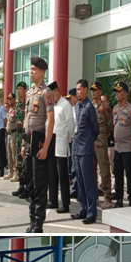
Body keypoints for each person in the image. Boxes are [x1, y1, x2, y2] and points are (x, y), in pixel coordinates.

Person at [23, 57, 55, 233]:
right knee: (30, 184)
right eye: (31, 69)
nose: (31, 72)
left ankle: (38, 223)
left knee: (40, 183)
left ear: (42, 72)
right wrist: (23, 143)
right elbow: (27, 117)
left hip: (40, 143)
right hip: (29, 142)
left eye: (34, 69)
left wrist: (46, 147)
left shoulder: (47, 93)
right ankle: (31, 220)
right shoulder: (29, 93)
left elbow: (50, 121)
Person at [72, 80, 100, 224]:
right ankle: (82, 209)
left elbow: (96, 129)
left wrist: (90, 141)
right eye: (76, 89)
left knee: (89, 182)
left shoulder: (89, 107)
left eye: (79, 89)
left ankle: (91, 212)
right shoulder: (77, 105)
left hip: (85, 150)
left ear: (85, 90)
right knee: (80, 182)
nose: (77, 92)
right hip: (76, 149)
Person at [111, 82, 131, 208]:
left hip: (128, 149)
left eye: (119, 91)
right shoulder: (115, 109)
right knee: (118, 174)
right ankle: (119, 199)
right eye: (116, 92)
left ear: (126, 93)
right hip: (117, 148)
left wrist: (129, 141)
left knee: (129, 175)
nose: (117, 94)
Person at [50, 82, 75, 213]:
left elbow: (71, 125)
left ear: (57, 91)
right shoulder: (52, 106)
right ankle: (53, 200)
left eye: (51, 93)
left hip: (61, 142)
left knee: (63, 176)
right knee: (52, 174)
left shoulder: (65, 105)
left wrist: (67, 138)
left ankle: (65, 204)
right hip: (52, 143)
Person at [89, 82, 114, 209]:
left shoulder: (105, 106)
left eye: (95, 90)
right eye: (91, 90)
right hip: (91, 144)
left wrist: (102, 137)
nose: (93, 92)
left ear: (100, 91)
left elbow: (110, 125)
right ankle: (95, 198)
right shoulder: (90, 106)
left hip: (101, 143)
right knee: (92, 172)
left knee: (104, 172)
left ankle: (108, 198)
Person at [12, 82, 29, 196]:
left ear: (25, 90)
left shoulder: (27, 104)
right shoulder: (17, 105)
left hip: (24, 136)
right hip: (17, 136)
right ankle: (21, 186)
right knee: (18, 162)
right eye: (17, 89)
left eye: (20, 89)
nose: (18, 91)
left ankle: (27, 188)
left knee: (24, 163)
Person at [4, 94, 19, 181]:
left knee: (14, 154)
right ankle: (10, 171)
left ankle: (16, 173)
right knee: (9, 154)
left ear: (14, 99)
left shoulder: (17, 109)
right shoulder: (10, 109)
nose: (9, 100)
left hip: (14, 134)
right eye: (8, 99)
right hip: (8, 134)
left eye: (11, 99)